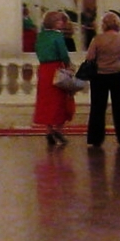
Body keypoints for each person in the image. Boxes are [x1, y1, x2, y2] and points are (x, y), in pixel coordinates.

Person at [85, 9, 120, 148]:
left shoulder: (97, 39)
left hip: (99, 76)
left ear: (103, 24)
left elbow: (90, 57)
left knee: (98, 108)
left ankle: (95, 138)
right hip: (117, 75)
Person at [31, 9, 76, 148]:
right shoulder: (57, 36)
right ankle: (59, 130)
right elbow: (63, 54)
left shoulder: (40, 36)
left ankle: (49, 131)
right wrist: (68, 65)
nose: (62, 23)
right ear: (53, 22)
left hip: (44, 69)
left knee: (46, 101)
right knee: (60, 100)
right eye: (59, 20)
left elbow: (38, 51)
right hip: (56, 69)